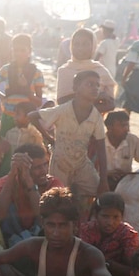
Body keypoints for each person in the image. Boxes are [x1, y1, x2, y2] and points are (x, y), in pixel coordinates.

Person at [29, 70, 109, 201]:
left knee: (102, 194)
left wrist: (104, 179)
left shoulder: (96, 117)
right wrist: (49, 138)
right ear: (76, 88)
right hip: (60, 164)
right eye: (90, 84)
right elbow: (32, 116)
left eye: (97, 85)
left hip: (81, 164)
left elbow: (101, 148)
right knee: (55, 199)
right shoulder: (63, 110)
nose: (95, 88)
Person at [0, 143, 65, 246]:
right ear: (22, 169)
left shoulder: (54, 184)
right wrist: (13, 173)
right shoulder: (5, 182)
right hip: (12, 236)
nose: (44, 171)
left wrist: (30, 184)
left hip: (42, 240)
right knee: (1, 206)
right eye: (37, 168)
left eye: (45, 164)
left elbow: (45, 220)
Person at [78, 192, 139, 276]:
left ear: (122, 216)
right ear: (96, 215)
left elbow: (133, 271)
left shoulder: (128, 235)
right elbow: (82, 261)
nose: (110, 222)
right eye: (105, 216)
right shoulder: (87, 230)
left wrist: (109, 265)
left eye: (115, 217)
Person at [0, 33, 44, 135]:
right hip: (8, 115)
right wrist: (2, 97)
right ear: (12, 51)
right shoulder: (7, 69)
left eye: (22, 50)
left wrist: (26, 90)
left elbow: (39, 102)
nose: (19, 53)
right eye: (16, 50)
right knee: (6, 143)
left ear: (29, 51)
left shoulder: (36, 72)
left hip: (27, 118)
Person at [55, 28, 116, 113]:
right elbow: (61, 101)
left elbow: (111, 104)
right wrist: (95, 97)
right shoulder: (64, 71)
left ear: (94, 46)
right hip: (69, 122)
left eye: (85, 44)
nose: (80, 48)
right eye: (76, 44)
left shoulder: (101, 70)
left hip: (94, 124)